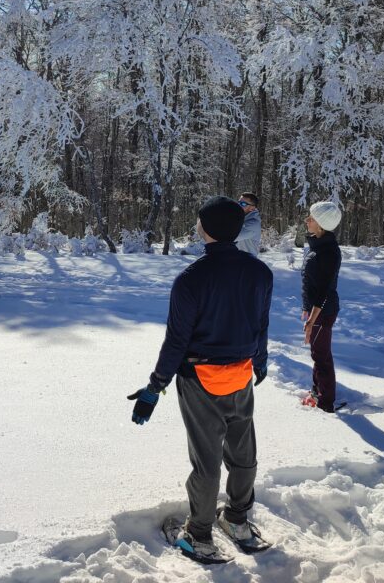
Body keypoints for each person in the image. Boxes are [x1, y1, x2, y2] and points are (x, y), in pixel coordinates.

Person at [128, 196, 273, 561]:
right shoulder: (260, 273)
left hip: (200, 379)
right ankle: (238, 520)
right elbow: (261, 325)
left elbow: (177, 340)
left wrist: (155, 386)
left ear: (203, 229)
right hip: (241, 374)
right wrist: (260, 362)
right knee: (243, 454)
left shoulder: (191, 280)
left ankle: (199, 534)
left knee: (207, 461)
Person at [301, 200, 343, 413]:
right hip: (316, 311)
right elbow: (311, 283)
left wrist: (312, 320)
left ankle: (325, 403)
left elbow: (324, 291)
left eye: (311, 218)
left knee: (321, 356)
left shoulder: (328, 251)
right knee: (318, 353)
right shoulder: (318, 245)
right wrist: (305, 307)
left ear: (321, 225)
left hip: (323, 312)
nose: (307, 220)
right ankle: (317, 392)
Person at [235, 192, 262, 258]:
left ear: (252, 208)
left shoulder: (253, 224)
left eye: (243, 204)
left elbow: (229, 237)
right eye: (238, 202)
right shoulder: (240, 218)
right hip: (236, 262)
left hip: (247, 264)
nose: (239, 205)